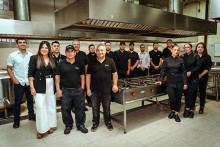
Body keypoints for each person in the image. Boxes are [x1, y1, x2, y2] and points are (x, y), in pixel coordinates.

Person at [55, 45, 88, 135]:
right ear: (65, 53)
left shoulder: (79, 63)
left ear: (74, 52)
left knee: (80, 108)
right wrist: (58, 89)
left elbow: (82, 76)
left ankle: (80, 125)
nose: (70, 53)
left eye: (71, 51)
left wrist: (82, 87)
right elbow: (57, 77)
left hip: (78, 90)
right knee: (65, 109)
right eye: (68, 51)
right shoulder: (61, 63)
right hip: (65, 91)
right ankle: (68, 125)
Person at [28, 41, 57, 139]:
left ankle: (49, 126)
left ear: (49, 49)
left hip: (51, 84)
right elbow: (30, 74)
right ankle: (40, 129)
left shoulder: (52, 59)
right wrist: (32, 88)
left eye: (46, 48)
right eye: (42, 47)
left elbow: (56, 74)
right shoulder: (34, 58)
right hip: (39, 85)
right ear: (39, 48)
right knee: (41, 107)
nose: (44, 49)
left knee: (50, 106)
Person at [86, 44, 118, 132]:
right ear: (96, 51)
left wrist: (115, 84)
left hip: (107, 90)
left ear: (105, 51)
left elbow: (115, 74)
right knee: (95, 108)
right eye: (98, 50)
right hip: (94, 90)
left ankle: (108, 122)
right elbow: (88, 76)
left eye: (102, 50)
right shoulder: (91, 62)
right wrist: (88, 89)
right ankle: (95, 123)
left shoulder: (110, 61)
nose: (100, 52)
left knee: (107, 108)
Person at [7, 38, 35, 129]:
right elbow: (9, 68)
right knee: (17, 102)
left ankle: (31, 115)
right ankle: (16, 120)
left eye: (24, 42)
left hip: (29, 82)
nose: (22, 44)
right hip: (19, 82)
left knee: (30, 99)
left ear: (26, 44)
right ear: (17, 44)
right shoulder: (12, 55)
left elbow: (33, 69)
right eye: (20, 43)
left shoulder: (31, 55)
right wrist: (14, 79)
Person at [156, 45, 188, 122]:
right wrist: (161, 80)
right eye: (175, 50)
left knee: (178, 99)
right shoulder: (166, 60)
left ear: (179, 51)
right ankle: (172, 111)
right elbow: (163, 71)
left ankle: (176, 114)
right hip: (170, 82)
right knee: (172, 99)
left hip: (179, 82)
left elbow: (184, 72)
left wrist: (185, 83)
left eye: (177, 50)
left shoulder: (181, 60)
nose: (176, 51)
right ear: (171, 50)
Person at [182, 43, 202, 118]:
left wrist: (191, 72)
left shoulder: (196, 56)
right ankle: (190, 109)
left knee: (192, 93)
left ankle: (188, 109)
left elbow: (199, 66)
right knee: (187, 93)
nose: (186, 48)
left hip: (194, 78)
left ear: (191, 48)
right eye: (185, 47)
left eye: (188, 47)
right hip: (185, 78)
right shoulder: (182, 56)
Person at [194, 42, 212, 114]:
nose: (200, 48)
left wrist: (200, 75)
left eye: (201, 47)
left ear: (204, 48)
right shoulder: (194, 56)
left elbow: (208, 68)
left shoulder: (207, 57)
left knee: (202, 92)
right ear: (196, 48)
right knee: (193, 92)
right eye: (198, 47)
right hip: (194, 77)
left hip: (203, 78)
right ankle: (192, 105)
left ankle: (201, 107)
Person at [73, 40, 89, 111]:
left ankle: (82, 106)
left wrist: (86, 74)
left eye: (77, 44)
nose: (76, 45)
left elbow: (86, 65)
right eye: (75, 44)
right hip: (73, 76)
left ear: (79, 45)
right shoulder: (70, 54)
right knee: (74, 92)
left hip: (82, 76)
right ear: (72, 45)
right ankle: (74, 107)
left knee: (82, 91)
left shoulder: (83, 54)